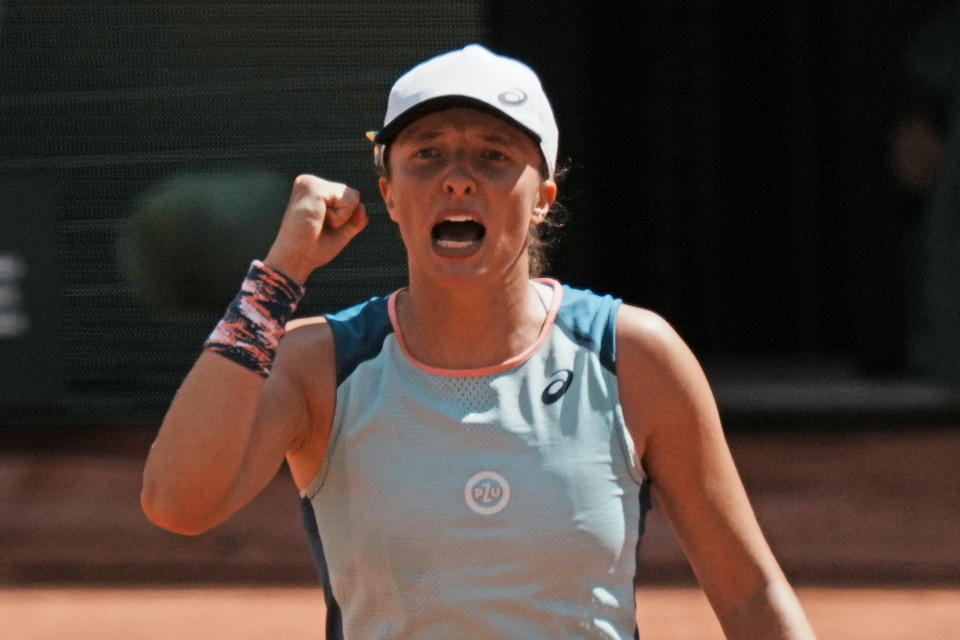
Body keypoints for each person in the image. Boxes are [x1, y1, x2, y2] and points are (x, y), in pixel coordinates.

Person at [141, 44, 816, 639]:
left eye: (494, 157)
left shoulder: (633, 354)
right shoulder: (320, 363)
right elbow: (177, 503)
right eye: (427, 154)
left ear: (544, 194)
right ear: (391, 193)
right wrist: (278, 277)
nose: (457, 177)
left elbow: (751, 593)